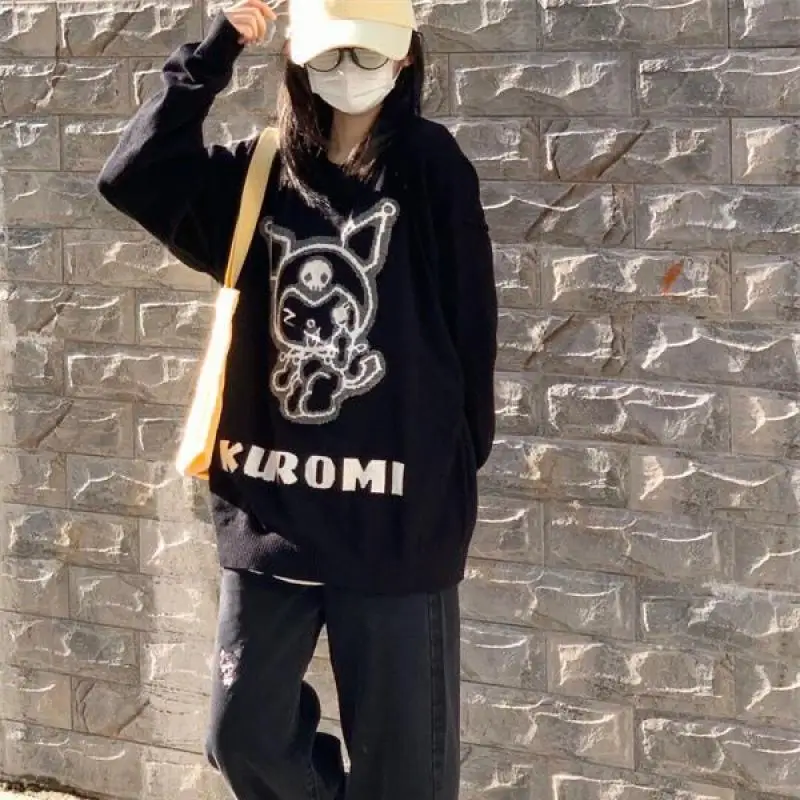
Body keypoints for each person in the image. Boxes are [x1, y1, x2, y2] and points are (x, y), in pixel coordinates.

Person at [97, 0, 497, 797]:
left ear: (405, 58)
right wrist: (216, 50)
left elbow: (470, 331)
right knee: (242, 737)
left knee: (404, 775)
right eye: (328, 56)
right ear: (297, 62)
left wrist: (446, 476)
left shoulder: (431, 165)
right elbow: (133, 174)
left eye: (366, 54)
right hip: (272, 513)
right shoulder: (259, 171)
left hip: (396, 522)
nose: (348, 74)